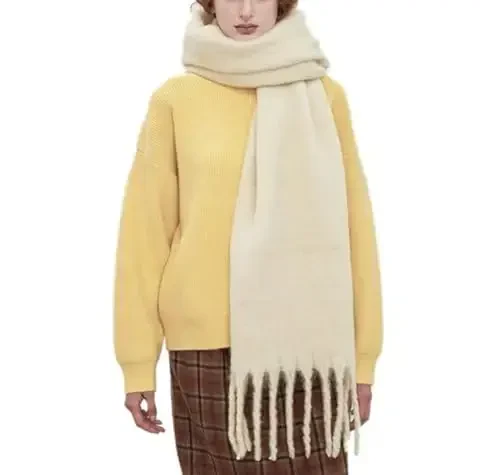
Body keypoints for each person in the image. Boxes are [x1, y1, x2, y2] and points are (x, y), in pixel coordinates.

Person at [113, 0, 383, 473]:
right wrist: (137, 363)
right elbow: (144, 237)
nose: (244, 11)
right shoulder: (175, 100)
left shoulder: (324, 97)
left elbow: (355, 229)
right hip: (206, 346)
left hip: (309, 349)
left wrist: (363, 360)